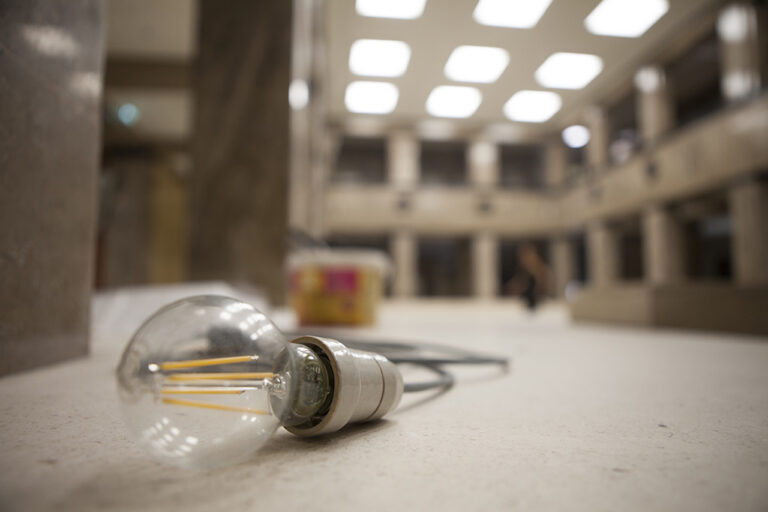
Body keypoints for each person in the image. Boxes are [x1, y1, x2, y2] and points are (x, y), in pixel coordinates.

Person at [505, 243, 550, 310]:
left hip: (540, 307)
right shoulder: (523, 272)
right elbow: (514, 287)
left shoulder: (542, 270)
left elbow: (544, 290)